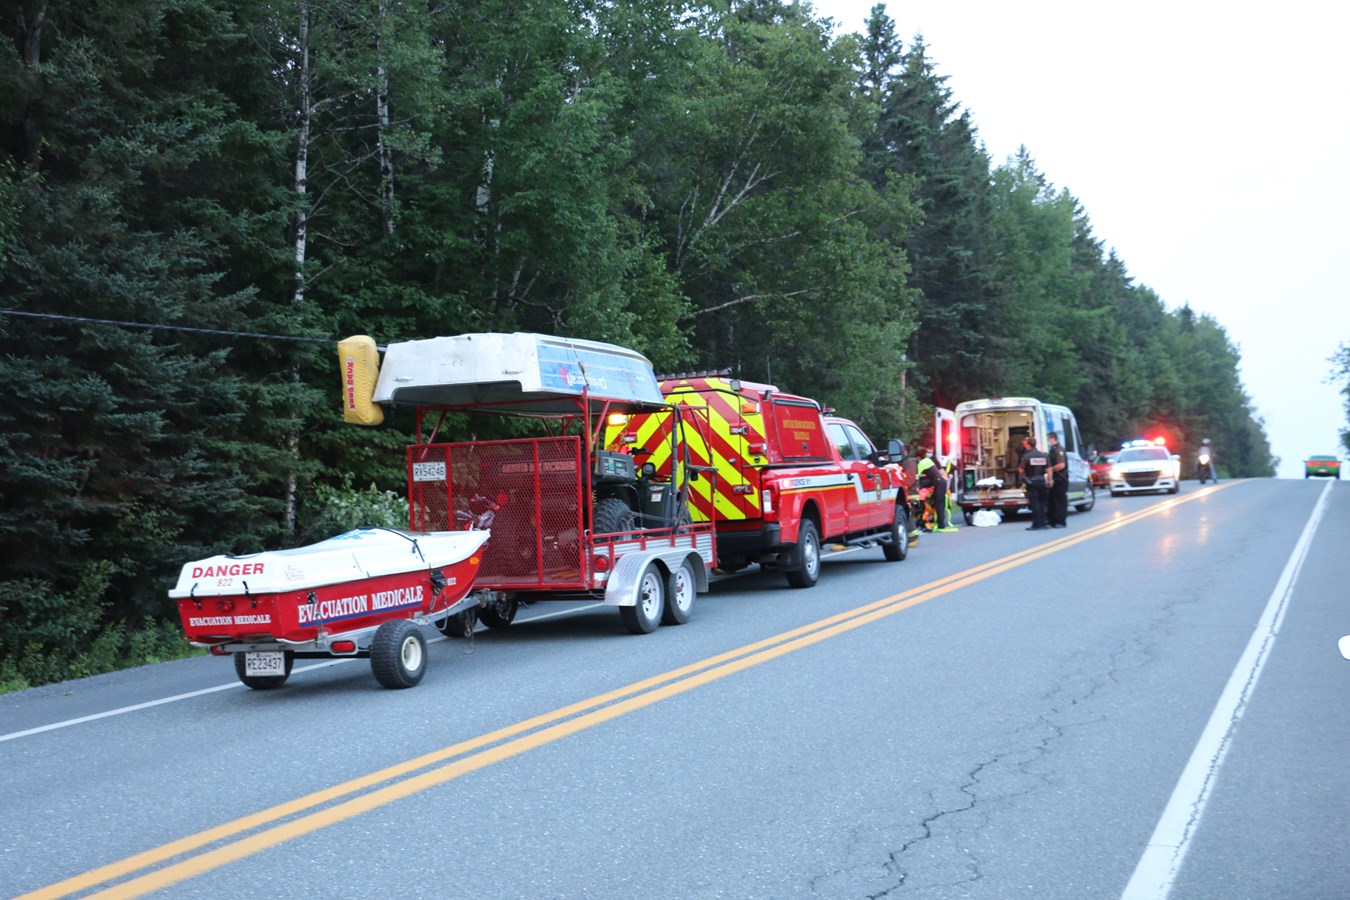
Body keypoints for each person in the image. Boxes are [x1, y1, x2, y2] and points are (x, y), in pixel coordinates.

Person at [917, 447, 957, 533]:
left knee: (939, 504)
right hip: (940, 482)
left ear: (918, 457)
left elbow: (916, 475)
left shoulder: (922, 463)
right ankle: (939, 523)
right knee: (939, 504)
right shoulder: (928, 460)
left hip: (939, 483)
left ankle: (940, 525)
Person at [1019, 437, 1050, 531]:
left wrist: (1022, 479)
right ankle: (1043, 523)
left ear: (1029, 445)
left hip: (1032, 482)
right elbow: (1049, 469)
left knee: (1035, 503)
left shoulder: (1027, 456)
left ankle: (1036, 524)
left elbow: (1021, 469)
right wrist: (1049, 480)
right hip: (1042, 481)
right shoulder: (1043, 455)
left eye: (1026, 444)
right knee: (1042, 503)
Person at [1046, 431, 1068, 528]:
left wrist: (1051, 469)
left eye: (1048, 439)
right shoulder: (1052, 450)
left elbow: (1061, 465)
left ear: (1052, 438)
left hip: (1060, 478)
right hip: (1054, 478)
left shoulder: (1059, 450)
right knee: (1051, 500)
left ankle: (1060, 521)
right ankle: (1052, 521)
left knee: (1059, 501)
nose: (1048, 441)